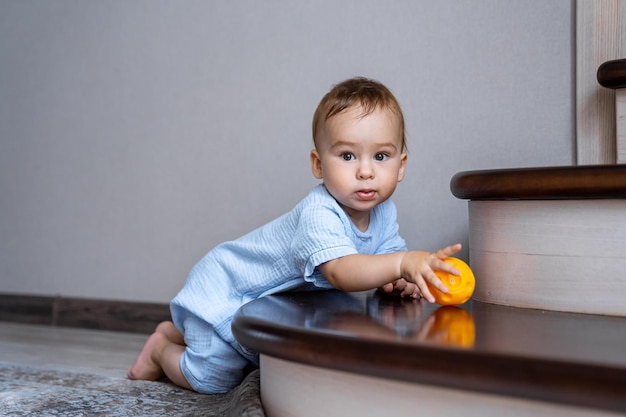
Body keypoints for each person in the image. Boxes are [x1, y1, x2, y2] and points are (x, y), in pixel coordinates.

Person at [127, 76, 462, 394]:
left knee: (253, 358)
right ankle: (162, 350)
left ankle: (183, 332)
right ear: (318, 164)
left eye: (381, 156)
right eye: (347, 156)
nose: (365, 171)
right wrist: (403, 262)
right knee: (215, 378)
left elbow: (383, 266)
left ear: (401, 166)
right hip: (225, 288)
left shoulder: (384, 213)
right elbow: (343, 271)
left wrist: (405, 280)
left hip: (262, 303)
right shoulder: (320, 211)